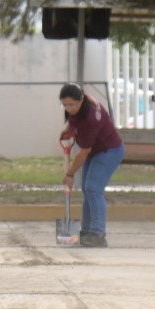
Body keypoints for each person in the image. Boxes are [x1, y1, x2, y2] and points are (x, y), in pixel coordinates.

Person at [58, 83, 125, 248]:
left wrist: (70, 174)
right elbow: (76, 121)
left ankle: (98, 234)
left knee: (93, 189)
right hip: (95, 150)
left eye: (72, 105)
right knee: (87, 189)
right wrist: (69, 128)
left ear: (81, 100)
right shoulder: (83, 102)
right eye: (65, 105)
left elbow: (83, 152)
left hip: (109, 151)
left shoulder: (90, 118)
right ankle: (87, 231)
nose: (69, 108)